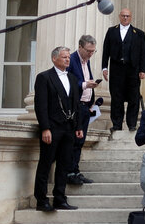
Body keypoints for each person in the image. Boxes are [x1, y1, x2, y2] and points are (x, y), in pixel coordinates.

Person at [33, 47, 85, 212]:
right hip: (52, 128)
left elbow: (75, 104)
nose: (67, 60)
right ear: (54, 58)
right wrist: (45, 128)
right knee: (46, 163)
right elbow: (40, 105)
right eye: (64, 57)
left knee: (64, 165)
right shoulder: (44, 77)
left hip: (69, 129)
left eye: (68, 57)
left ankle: (60, 199)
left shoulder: (71, 77)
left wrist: (78, 126)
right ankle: (41, 200)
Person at [102, 8, 145, 131]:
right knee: (116, 97)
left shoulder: (139, 33)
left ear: (131, 17)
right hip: (116, 69)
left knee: (134, 97)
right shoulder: (111, 31)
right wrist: (104, 67)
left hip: (133, 69)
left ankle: (132, 124)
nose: (125, 18)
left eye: (127, 16)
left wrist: (143, 70)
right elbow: (106, 51)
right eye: (123, 16)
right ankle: (117, 124)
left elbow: (144, 53)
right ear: (119, 16)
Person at [67, 35, 100, 185]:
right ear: (80, 47)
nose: (90, 54)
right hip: (76, 106)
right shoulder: (72, 60)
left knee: (80, 142)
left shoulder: (86, 61)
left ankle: (75, 170)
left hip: (86, 106)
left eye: (93, 51)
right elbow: (69, 82)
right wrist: (85, 85)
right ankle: (70, 172)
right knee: (75, 140)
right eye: (88, 50)